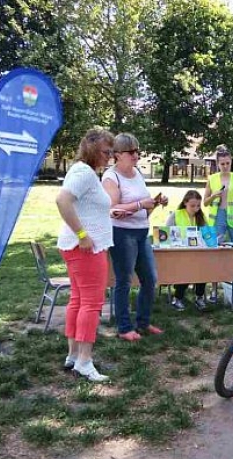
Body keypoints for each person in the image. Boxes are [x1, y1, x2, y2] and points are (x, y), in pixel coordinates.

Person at [55, 127, 115, 382]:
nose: (109, 157)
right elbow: (62, 200)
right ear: (91, 149)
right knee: (91, 303)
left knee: (78, 300)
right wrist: (82, 235)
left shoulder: (83, 171)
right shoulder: (84, 173)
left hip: (79, 247)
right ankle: (84, 361)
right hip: (86, 249)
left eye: (111, 152)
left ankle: (73, 355)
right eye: (105, 152)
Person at [102, 132, 168, 342]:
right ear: (118, 154)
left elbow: (144, 206)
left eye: (137, 151)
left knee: (150, 279)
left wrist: (155, 202)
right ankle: (124, 327)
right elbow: (112, 209)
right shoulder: (111, 177)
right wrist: (140, 204)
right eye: (131, 152)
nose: (136, 155)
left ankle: (143, 323)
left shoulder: (137, 173)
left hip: (141, 231)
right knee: (124, 280)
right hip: (122, 233)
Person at [203, 144, 233, 302]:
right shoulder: (212, 179)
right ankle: (214, 290)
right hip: (217, 219)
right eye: (222, 163)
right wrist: (214, 195)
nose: (225, 166)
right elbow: (205, 202)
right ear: (217, 164)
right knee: (215, 253)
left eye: (228, 163)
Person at [165, 190, 209, 311]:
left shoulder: (201, 216)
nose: (196, 209)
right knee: (186, 268)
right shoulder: (176, 215)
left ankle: (199, 297)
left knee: (203, 268)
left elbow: (208, 235)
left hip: (198, 253)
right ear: (185, 203)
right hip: (179, 254)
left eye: (198, 206)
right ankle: (178, 298)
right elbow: (165, 234)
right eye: (192, 206)